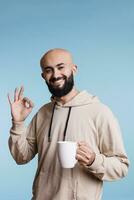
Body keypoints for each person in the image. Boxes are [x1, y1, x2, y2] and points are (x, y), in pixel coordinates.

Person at [8, 48, 129, 200]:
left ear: (74, 69)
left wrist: (93, 160)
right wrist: (18, 123)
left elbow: (121, 167)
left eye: (60, 67)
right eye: (49, 70)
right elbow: (21, 157)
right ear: (43, 76)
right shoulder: (42, 113)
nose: (56, 75)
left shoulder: (99, 112)